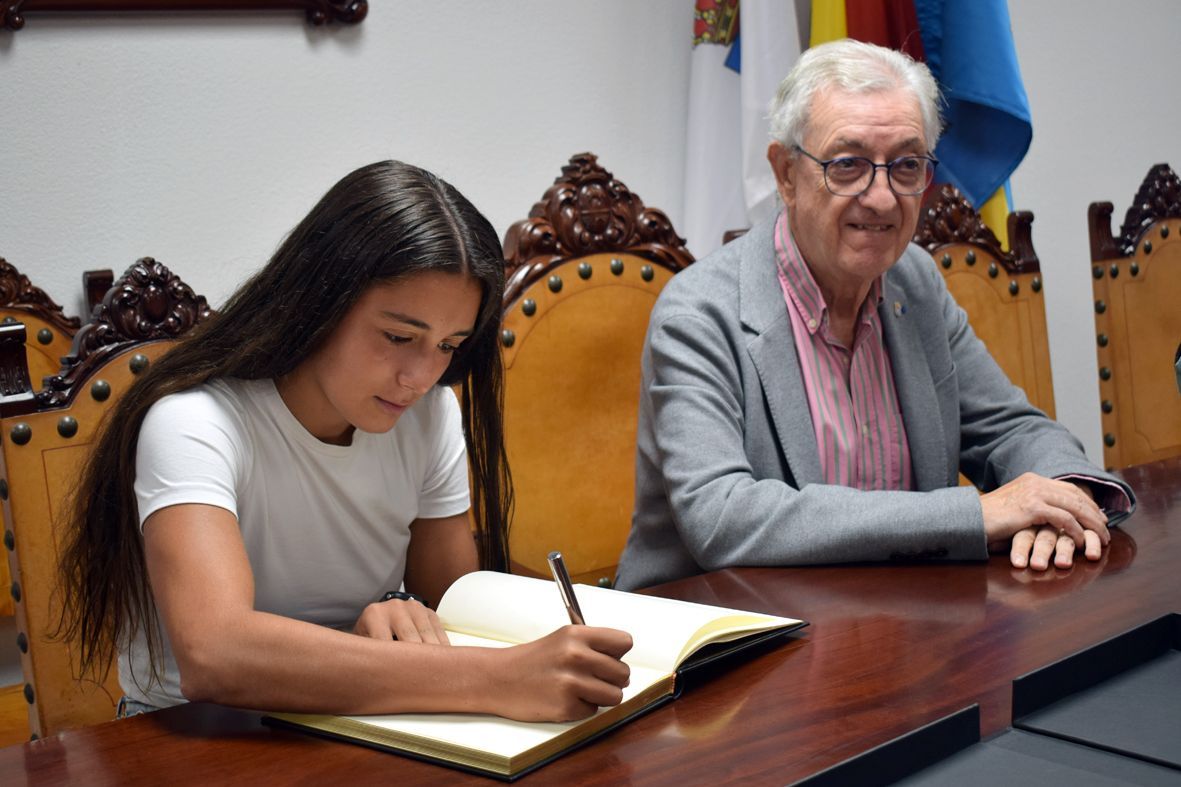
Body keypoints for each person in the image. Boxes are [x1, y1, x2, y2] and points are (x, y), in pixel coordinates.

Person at [58, 160, 632, 721]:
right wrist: (501, 677)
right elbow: (216, 654)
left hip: (358, 721)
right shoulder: (195, 422)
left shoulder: (430, 415)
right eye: (399, 335)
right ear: (319, 302)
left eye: (448, 345)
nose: (421, 376)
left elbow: (455, 603)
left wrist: (403, 609)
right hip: (194, 736)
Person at [615, 40, 1134, 592]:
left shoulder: (914, 281)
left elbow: (1011, 428)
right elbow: (722, 518)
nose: (882, 198)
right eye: (847, 165)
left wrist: (1057, 502)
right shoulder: (699, 312)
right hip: (724, 645)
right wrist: (975, 516)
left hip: (900, 627)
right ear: (785, 173)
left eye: (906, 165)